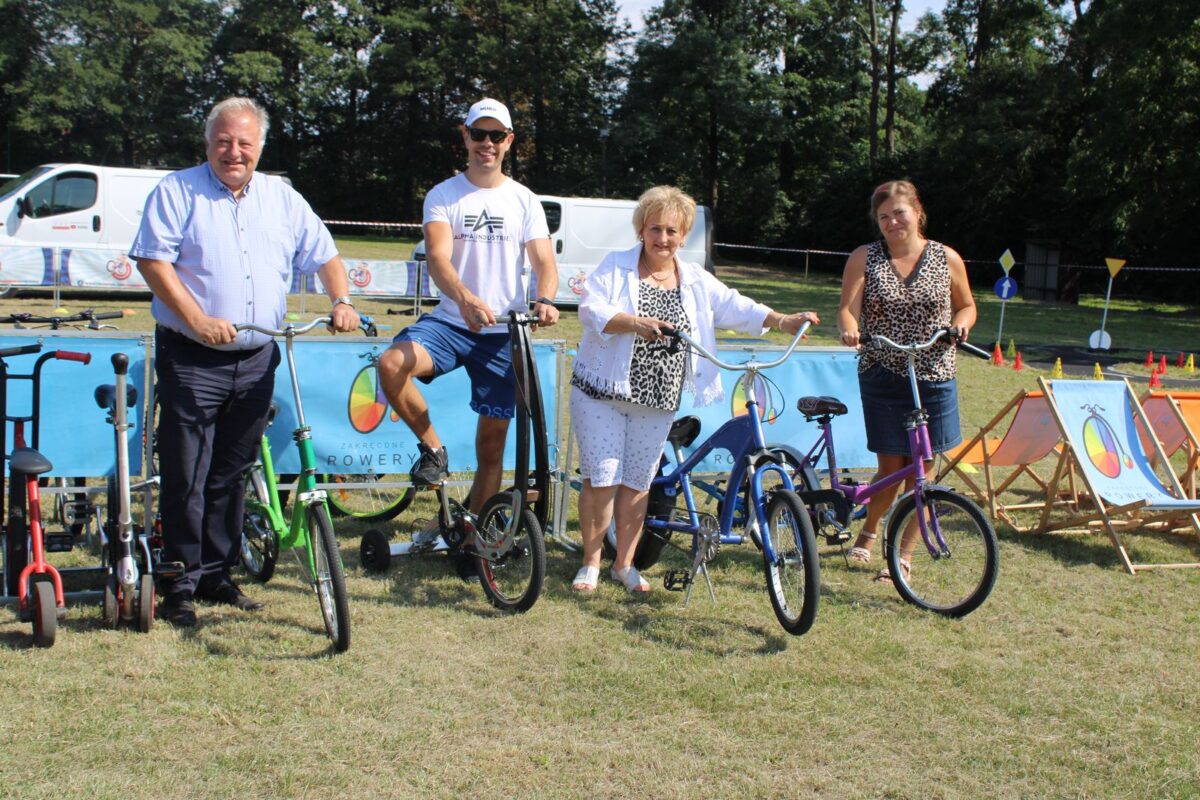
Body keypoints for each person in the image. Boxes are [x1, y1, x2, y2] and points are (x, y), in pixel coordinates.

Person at [132, 97, 361, 626]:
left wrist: (342, 300)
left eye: (245, 143)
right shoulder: (177, 190)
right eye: (223, 142)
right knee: (187, 473)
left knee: (231, 473)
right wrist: (194, 319)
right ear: (207, 143)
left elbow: (323, 254)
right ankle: (180, 585)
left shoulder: (282, 198)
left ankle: (217, 575)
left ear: (260, 147)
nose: (234, 152)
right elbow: (152, 261)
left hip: (256, 358)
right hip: (192, 357)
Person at [569, 186, 820, 593]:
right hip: (603, 392)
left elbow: (736, 306)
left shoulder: (696, 280)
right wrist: (634, 323)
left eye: (671, 231)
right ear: (641, 229)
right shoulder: (616, 267)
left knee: (637, 483)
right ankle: (591, 563)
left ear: (683, 236)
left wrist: (782, 320)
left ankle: (625, 565)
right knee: (602, 478)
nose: (662, 239)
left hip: (658, 397)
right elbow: (590, 309)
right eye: (655, 229)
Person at [378, 98, 558, 532]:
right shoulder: (443, 195)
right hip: (452, 322)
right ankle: (434, 450)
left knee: (493, 444)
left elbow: (544, 261)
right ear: (465, 135)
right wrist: (464, 298)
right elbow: (439, 258)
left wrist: (546, 299)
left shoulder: (524, 199)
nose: (487, 144)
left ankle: (473, 532)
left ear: (509, 141)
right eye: (479, 134)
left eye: (497, 136)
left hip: (503, 332)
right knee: (391, 364)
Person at [837, 179, 977, 582]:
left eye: (899, 212)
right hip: (883, 370)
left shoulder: (946, 257)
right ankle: (867, 531)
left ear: (917, 211)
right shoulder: (865, 258)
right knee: (891, 466)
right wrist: (850, 329)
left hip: (934, 372)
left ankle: (903, 556)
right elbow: (847, 310)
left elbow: (967, 305)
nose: (892, 221)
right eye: (883, 217)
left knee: (924, 470)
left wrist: (960, 326)